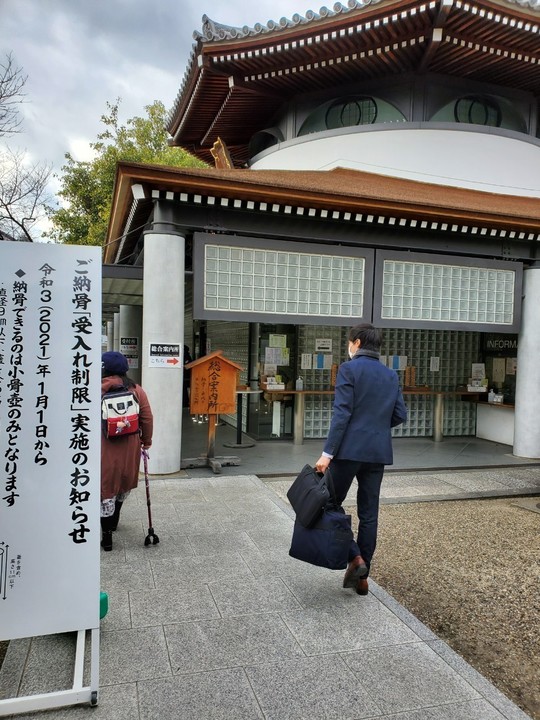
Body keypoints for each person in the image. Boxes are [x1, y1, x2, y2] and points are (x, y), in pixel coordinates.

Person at [315, 323, 407, 595]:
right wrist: (375, 428)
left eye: (350, 343)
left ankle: (355, 557)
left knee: (328, 503)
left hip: (348, 452)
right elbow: (400, 414)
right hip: (377, 452)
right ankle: (363, 576)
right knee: (369, 514)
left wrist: (327, 454)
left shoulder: (348, 369)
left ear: (356, 343)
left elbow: (342, 414)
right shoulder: (390, 375)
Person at [101, 351, 153, 551]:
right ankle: (114, 521)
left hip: (105, 446)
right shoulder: (136, 390)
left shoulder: (95, 389)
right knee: (122, 483)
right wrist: (146, 441)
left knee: (105, 488)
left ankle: (106, 536)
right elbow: (147, 418)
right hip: (130, 446)